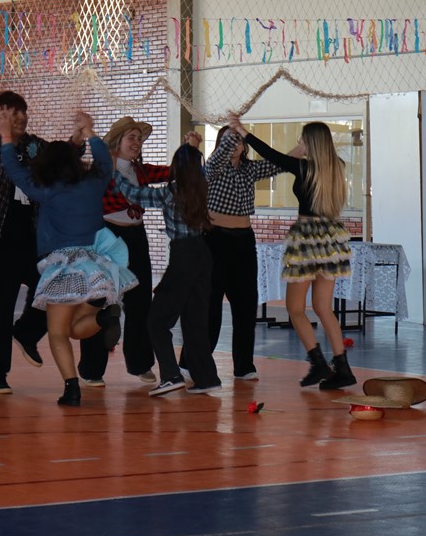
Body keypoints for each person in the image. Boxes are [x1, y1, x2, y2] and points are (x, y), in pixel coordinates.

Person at [0, 110, 137, 406]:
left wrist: (6, 136)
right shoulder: (94, 183)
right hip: (95, 267)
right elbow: (104, 162)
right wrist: (89, 132)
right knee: (75, 329)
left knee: (58, 332)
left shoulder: (46, 190)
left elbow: (14, 170)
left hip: (63, 267)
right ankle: (103, 317)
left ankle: (71, 389)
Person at [0, 91, 81, 395]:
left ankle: (27, 332)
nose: (19, 119)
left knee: (53, 283)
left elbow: (59, 158)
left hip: (27, 236)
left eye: (22, 113)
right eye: (11, 113)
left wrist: (77, 141)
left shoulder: (33, 146)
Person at [231, 115, 356, 390]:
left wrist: (244, 133)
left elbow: (273, 156)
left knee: (295, 308)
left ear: (310, 142)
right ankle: (342, 366)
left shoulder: (304, 168)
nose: (300, 142)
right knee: (324, 307)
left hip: (307, 238)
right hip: (331, 238)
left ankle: (318, 363)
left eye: (302, 139)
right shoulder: (337, 167)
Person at [113, 134, 221, 396]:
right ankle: (207, 378)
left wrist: (113, 170)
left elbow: (134, 194)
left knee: (157, 321)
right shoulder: (203, 186)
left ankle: (171, 375)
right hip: (203, 254)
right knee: (194, 320)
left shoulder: (172, 191)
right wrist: (192, 148)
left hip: (183, 255)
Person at [77, 117, 165, 388]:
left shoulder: (141, 171)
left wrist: (191, 153)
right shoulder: (103, 168)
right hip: (108, 236)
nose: (137, 143)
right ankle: (92, 369)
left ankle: (140, 363)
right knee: (100, 299)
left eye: (139, 138)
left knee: (140, 301)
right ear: (117, 142)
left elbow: (172, 171)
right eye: (132, 137)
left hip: (136, 236)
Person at [202, 124, 291, 381]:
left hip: (243, 241)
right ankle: (193, 360)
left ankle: (244, 366)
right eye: (228, 140)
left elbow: (278, 164)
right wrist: (234, 133)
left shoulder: (249, 170)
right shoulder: (214, 167)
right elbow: (218, 158)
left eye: (239, 141)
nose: (234, 144)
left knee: (246, 303)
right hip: (215, 240)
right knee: (210, 304)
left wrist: (299, 150)